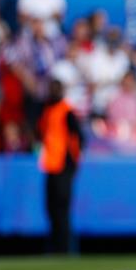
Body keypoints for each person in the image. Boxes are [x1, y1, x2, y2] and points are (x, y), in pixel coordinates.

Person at [37, 79, 83, 254]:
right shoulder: (48, 110)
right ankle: (56, 247)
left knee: (62, 208)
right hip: (50, 164)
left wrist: (74, 162)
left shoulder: (66, 111)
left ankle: (64, 248)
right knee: (51, 208)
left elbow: (77, 137)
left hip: (64, 165)